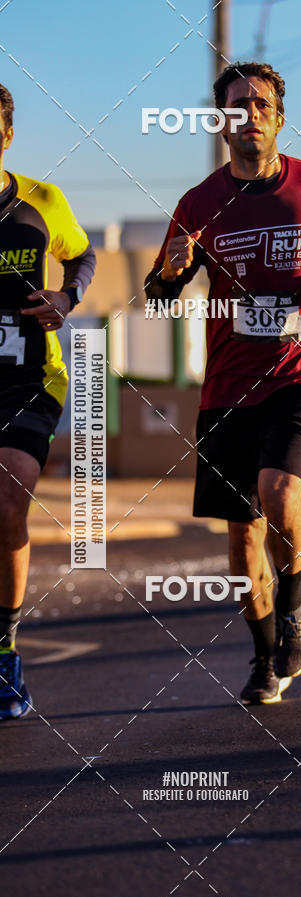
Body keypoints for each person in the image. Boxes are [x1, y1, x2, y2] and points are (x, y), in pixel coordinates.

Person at [145, 62, 301, 704]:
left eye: (260, 103)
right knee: (242, 533)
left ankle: (295, 609)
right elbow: (159, 294)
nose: (248, 113)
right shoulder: (197, 204)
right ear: (220, 123)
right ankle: (263, 657)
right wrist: (169, 272)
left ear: (278, 115)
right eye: (235, 105)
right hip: (228, 388)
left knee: (279, 494)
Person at [0, 84, 96, 719]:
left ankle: (3, 650)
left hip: (27, 377)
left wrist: (65, 299)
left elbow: (83, 255)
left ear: (5, 134)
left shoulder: (41, 200)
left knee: (11, 486)